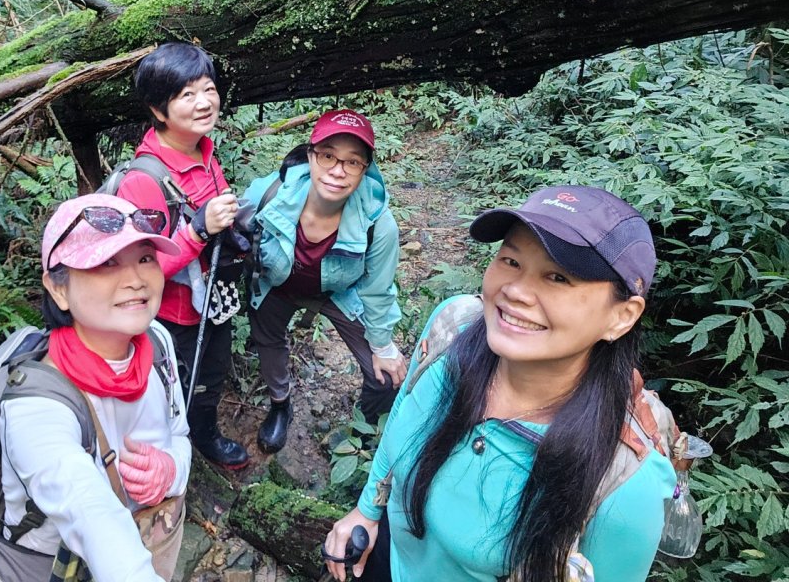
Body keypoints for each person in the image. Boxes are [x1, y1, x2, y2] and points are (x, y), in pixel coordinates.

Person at [324, 185, 678, 582]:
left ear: (622, 316)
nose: (515, 291)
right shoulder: (454, 329)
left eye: (558, 277)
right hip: (386, 560)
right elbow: (406, 415)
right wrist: (368, 510)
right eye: (511, 260)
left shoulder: (627, 486)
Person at [0, 193, 191, 581]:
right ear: (58, 288)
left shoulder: (157, 343)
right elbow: (88, 510)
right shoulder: (37, 406)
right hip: (57, 565)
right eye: (105, 263)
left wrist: (170, 472)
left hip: (155, 535)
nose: (136, 280)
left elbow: (180, 435)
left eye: (145, 258)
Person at [115, 42, 248, 468]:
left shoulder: (204, 152)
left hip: (211, 298)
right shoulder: (145, 179)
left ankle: (204, 436)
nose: (204, 102)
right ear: (159, 110)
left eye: (208, 89)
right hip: (171, 315)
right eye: (186, 95)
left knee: (211, 375)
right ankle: (165, 459)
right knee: (171, 385)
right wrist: (197, 230)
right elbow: (141, 271)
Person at [244, 109, 407, 453]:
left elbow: (378, 290)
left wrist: (383, 347)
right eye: (328, 156)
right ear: (310, 155)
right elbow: (230, 235)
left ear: (366, 169)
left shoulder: (378, 223)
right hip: (277, 285)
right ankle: (279, 404)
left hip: (340, 292)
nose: (337, 170)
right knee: (268, 341)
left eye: (352, 162)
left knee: (384, 376)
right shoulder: (268, 194)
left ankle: (360, 436)